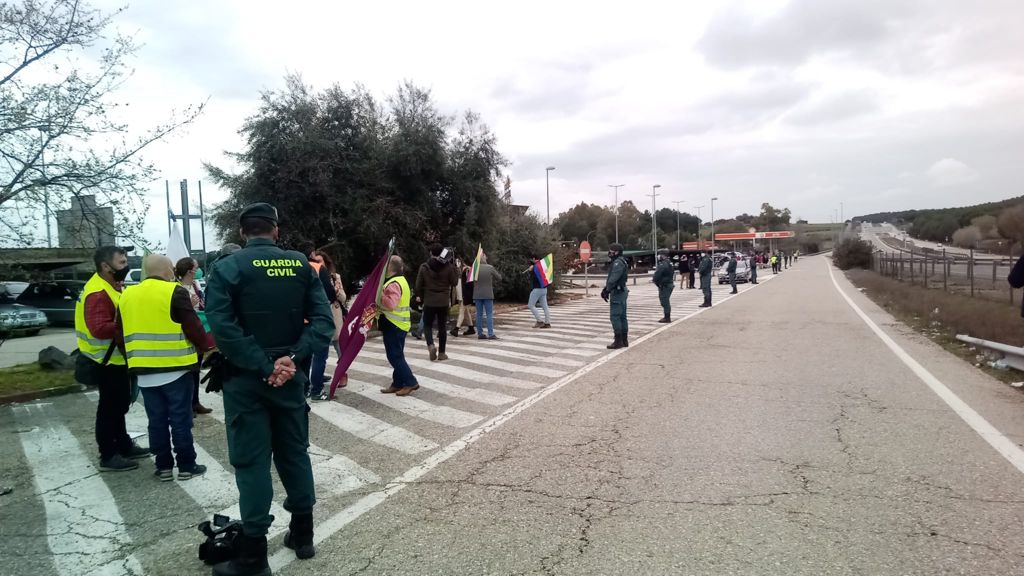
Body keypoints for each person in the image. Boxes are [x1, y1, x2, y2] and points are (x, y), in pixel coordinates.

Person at [205, 203, 334, 574]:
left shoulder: (228, 267)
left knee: (252, 462)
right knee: (294, 452)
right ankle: (303, 535)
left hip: (247, 379)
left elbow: (224, 329)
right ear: (275, 231)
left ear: (242, 232)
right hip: (290, 377)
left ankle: (252, 556)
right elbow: (323, 322)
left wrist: (264, 366)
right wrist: (292, 359)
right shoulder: (300, 266)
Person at [119, 255, 214, 481]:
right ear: (167, 271)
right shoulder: (175, 292)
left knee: (156, 421)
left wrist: (134, 358)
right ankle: (186, 465)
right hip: (176, 368)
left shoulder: (127, 295)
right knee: (180, 419)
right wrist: (207, 347)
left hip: (144, 372)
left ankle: (162, 467)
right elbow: (193, 328)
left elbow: (119, 333)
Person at [75, 246, 149, 472]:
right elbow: (98, 328)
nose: (125, 267)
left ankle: (123, 444)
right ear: (105, 266)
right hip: (105, 360)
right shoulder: (98, 292)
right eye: (121, 263)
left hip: (113, 359)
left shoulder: (108, 286)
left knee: (119, 405)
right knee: (109, 409)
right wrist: (129, 325)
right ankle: (108, 454)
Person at [175, 257, 213, 416]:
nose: (198, 270)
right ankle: (187, 406)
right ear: (190, 270)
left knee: (196, 370)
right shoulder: (177, 288)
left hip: (199, 330)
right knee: (187, 373)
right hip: (185, 335)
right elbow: (178, 313)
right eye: (196, 267)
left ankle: (195, 402)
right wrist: (189, 305)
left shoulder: (196, 285)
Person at [301, 244, 338, 401]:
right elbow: (329, 294)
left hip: (299, 319)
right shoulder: (317, 267)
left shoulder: (295, 267)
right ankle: (317, 390)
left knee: (304, 357)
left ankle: (304, 390)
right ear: (312, 253)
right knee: (320, 356)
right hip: (317, 318)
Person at [380, 255, 419, 396]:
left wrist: (379, 295)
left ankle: (410, 382)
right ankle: (397, 383)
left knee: (394, 356)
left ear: (390, 268)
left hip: (393, 324)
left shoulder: (393, 283)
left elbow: (391, 304)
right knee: (398, 355)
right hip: (399, 324)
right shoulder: (401, 280)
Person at [415, 244, 458, 361]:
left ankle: (431, 346)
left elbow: (418, 286)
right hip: (443, 302)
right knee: (442, 327)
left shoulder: (424, 267)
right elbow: (454, 282)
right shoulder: (448, 267)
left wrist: (422, 297)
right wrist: (455, 267)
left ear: (431, 253)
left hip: (429, 301)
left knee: (427, 325)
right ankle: (442, 353)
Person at [318, 251, 347, 358]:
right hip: (321, 320)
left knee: (341, 351)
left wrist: (337, 292)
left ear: (326, 263)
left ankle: (342, 373)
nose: (317, 264)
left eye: (319, 261)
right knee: (320, 357)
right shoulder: (311, 276)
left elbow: (343, 298)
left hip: (335, 316)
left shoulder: (335, 277)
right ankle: (319, 375)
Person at [602, 243, 630, 348]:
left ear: (617, 252)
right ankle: (624, 340)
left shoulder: (618, 263)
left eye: (611, 250)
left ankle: (618, 341)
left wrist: (607, 290)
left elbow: (613, 278)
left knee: (615, 317)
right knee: (622, 317)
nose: (610, 252)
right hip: (621, 291)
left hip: (617, 292)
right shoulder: (622, 261)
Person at [474, 252, 502, 340]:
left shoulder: (475, 269)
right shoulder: (490, 268)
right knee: (489, 314)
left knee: (479, 314)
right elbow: (499, 278)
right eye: (485, 255)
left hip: (477, 294)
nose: (487, 256)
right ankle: (490, 333)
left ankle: (480, 333)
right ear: (484, 258)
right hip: (488, 294)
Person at [450, 259, 476, 337]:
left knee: (461, 311)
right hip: (461, 295)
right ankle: (471, 328)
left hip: (465, 295)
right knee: (466, 311)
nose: (457, 264)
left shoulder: (467, 270)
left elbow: (469, 284)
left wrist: (468, 270)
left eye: (459, 262)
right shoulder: (458, 271)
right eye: (456, 262)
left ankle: (456, 329)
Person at [527, 254, 552, 329]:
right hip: (544, 289)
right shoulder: (543, 266)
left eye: (532, 259)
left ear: (534, 258)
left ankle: (539, 321)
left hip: (537, 289)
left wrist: (530, 270)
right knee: (545, 307)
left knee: (530, 305)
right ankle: (547, 323)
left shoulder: (535, 267)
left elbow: (533, 278)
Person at [653, 249, 674, 323]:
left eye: (659, 254)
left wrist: (655, 280)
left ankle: (667, 317)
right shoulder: (669, 262)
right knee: (665, 301)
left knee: (665, 301)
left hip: (665, 285)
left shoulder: (663, 264)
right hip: (668, 284)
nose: (658, 256)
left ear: (663, 255)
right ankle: (667, 316)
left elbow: (658, 274)